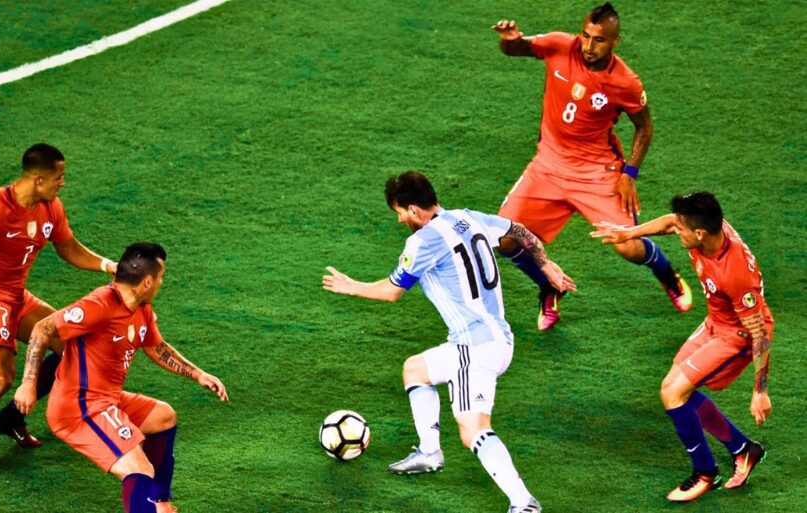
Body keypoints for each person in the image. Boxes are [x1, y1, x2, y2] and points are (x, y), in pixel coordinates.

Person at [323, 172, 575, 513]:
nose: (399, 219)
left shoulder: (423, 242)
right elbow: (518, 231)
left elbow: (392, 291)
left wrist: (351, 286)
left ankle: (523, 502)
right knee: (415, 369)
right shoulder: (467, 217)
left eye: (399, 212)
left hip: (476, 348)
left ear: (414, 210)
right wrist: (545, 265)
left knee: (473, 430)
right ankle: (430, 452)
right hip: (490, 338)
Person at [492, 3, 691, 331]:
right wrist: (509, 40)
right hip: (548, 165)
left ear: (615, 41)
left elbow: (644, 126)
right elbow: (516, 49)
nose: (588, 46)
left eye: (599, 40)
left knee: (629, 246)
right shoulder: (559, 45)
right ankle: (549, 286)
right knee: (504, 239)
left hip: (597, 172)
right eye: (585, 36)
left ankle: (666, 272)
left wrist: (629, 173)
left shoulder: (625, 81)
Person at [13, 242, 228, 513]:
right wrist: (28, 383)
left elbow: (156, 347)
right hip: (79, 408)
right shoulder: (100, 304)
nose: (162, 283)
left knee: (164, 416)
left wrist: (198, 374)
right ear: (147, 282)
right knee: (139, 468)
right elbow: (43, 328)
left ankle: (160, 502)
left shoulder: (141, 309)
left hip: (107, 400)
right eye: (161, 277)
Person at [0, 143, 119, 488]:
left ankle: (10, 418)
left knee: (75, 346)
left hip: (17, 296)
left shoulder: (50, 207)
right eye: (59, 177)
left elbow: (68, 247)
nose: (63, 183)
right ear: (39, 179)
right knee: (0, 378)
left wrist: (108, 266)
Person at [591, 191, 772, 502]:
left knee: (673, 393)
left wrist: (760, 390)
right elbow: (668, 222)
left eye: (681, 229)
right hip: (716, 322)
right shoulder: (710, 231)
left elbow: (760, 333)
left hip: (738, 336)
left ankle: (705, 473)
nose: (676, 232)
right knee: (674, 388)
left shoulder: (735, 273)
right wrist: (629, 233)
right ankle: (744, 449)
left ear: (699, 233)